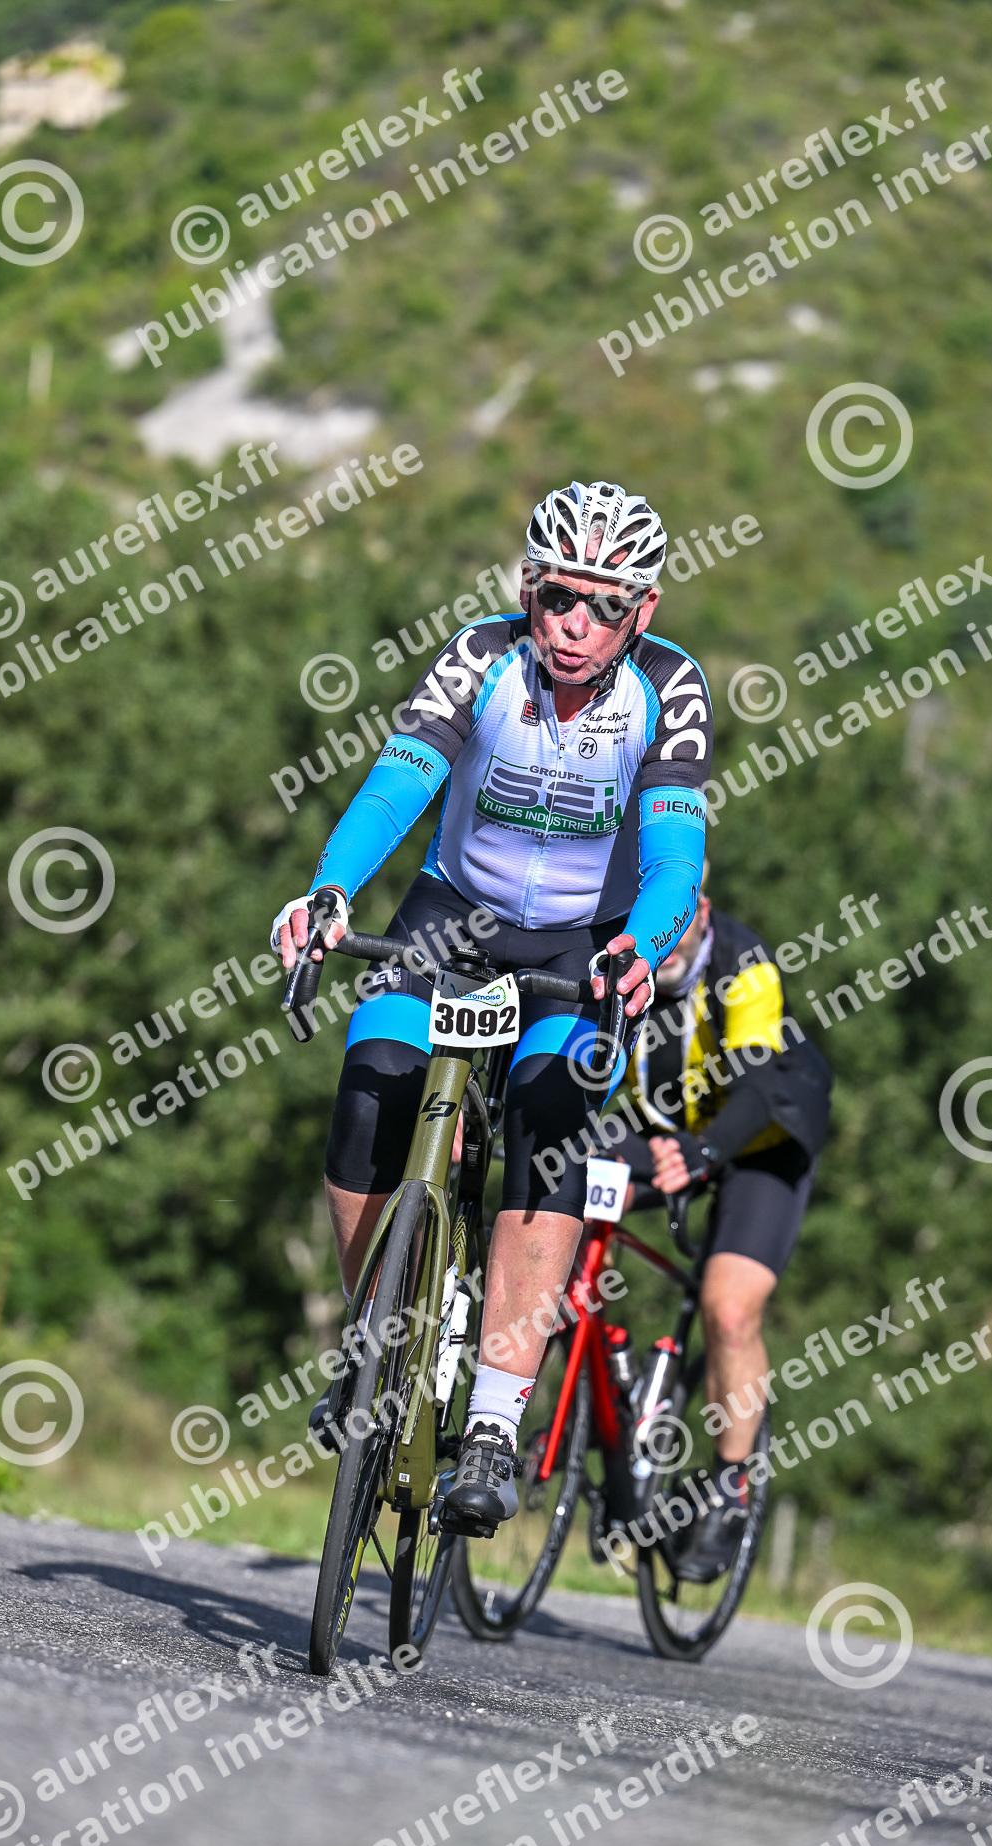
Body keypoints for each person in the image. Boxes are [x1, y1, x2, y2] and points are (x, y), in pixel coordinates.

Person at [271, 481, 712, 1533]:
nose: (574, 624)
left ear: (641, 612)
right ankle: (372, 1337)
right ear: (527, 587)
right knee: (370, 1087)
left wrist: (642, 947)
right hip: (451, 916)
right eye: (557, 596)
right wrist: (330, 888)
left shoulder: (669, 685)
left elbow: (673, 854)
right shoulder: (480, 656)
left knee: (548, 1127)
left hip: (582, 940)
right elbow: (398, 783)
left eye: (603, 606)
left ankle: (491, 1425)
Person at [607, 873, 831, 1580]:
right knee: (554, 1200)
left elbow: (759, 1084)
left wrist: (705, 1153)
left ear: (702, 910)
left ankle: (729, 1488)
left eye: (679, 918)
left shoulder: (743, 963)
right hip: (665, 1133)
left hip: (760, 1139)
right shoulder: (616, 955)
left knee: (729, 1310)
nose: (666, 938)